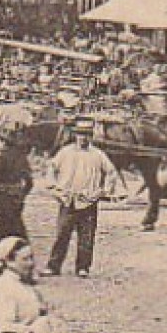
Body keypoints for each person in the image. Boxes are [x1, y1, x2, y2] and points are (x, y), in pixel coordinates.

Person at [45, 118, 120, 279]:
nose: (83, 138)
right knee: (62, 234)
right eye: (80, 134)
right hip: (68, 200)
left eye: (86, 135)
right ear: (75, 135)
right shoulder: (65, 152)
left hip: (88, 201)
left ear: (91, 136)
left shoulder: (98, 155)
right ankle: (53, 266)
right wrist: (54, 188)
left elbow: (111, 172)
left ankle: (83, 267)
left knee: (86, 236)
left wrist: (103, 191)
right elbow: (52, 168)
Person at [0, 128, 33, 243]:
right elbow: (29, 182)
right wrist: (22, 196)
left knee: (1, 234)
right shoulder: (20, 156)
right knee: (16, 232)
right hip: (14, 198)